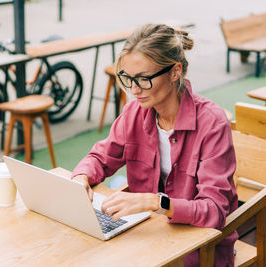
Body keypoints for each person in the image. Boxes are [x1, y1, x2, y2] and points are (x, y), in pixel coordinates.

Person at [71, 24, 238, 267]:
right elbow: (101, 156)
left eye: (144, 79)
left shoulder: (212, 123)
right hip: (146, 240)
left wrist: (156, 202)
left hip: (199, 250)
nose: (134, 90)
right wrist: (81, 178)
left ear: (175, 72)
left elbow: (213, 211)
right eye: (128, 79)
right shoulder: (134, 113)